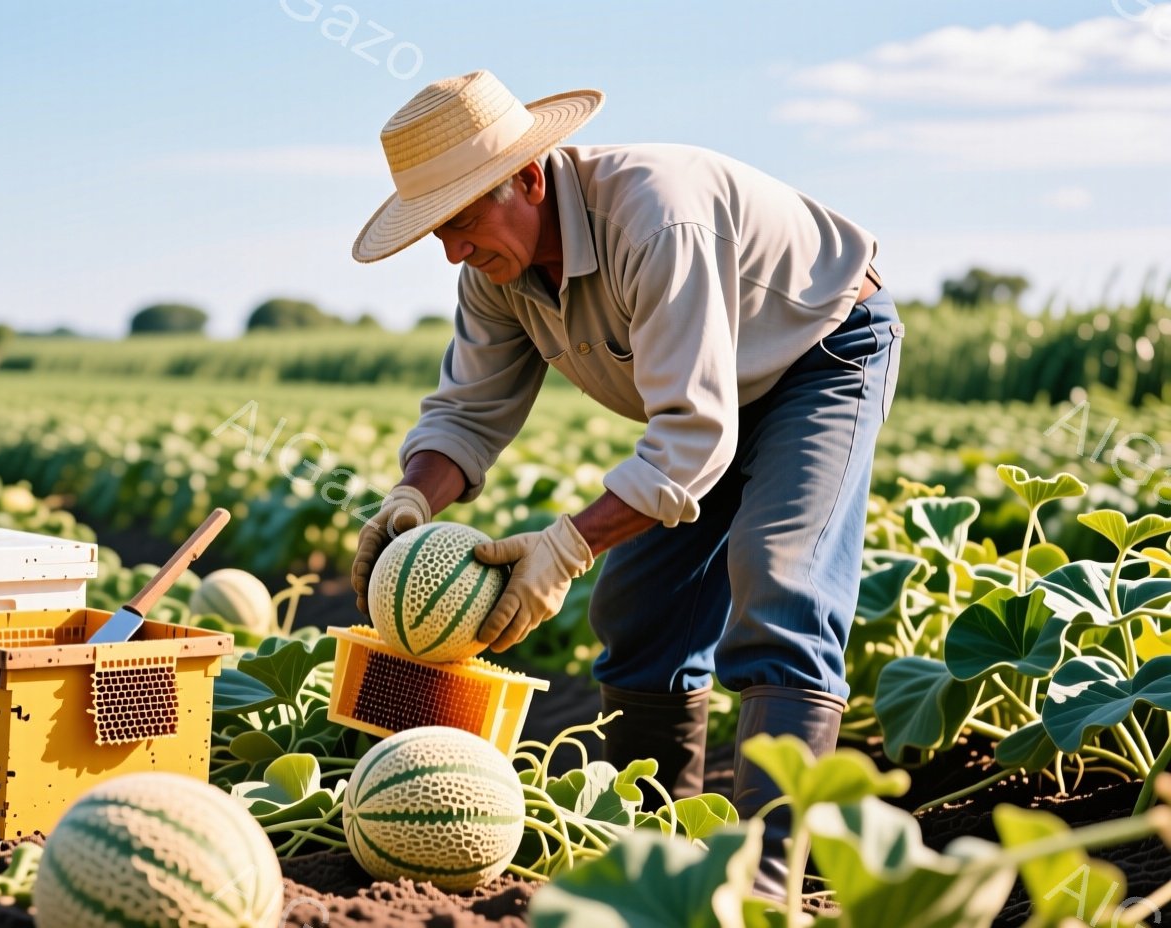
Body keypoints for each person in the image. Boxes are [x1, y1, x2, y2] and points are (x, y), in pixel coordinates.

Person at [347, 70, 902, 900]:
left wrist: (566, 545)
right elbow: (468, 410)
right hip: (709, 399)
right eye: (437, 234)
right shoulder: (495, 274)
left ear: (528, 179)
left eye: (460, 220)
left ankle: (767, 883)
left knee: (780, 577)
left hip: (818, 357)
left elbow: (690, 436)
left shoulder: (654, 217)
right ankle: (663, 847)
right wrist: (411, 498)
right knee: (639, 611)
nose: (455, 250)